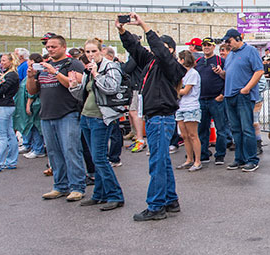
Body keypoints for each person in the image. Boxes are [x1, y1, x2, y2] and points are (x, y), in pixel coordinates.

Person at [118, 12, 187, 221]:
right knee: (163, 161)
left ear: (171, 50)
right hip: (156, 117)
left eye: (162, 47)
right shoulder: (151, 62)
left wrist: (144, 27)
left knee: (157, 162)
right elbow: (135, 49)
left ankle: (156, 205)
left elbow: (159, 50)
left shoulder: (172, 66)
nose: (155, 49)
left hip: (161, 117)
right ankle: (170, 200)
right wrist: (123, 31)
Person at [26, 34, 88, 202]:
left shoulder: (71, 63)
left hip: (67, 113)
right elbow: (32, 91)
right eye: (48, 47)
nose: (50, 49)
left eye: (54, 46)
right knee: (53, 153)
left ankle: (77, 186)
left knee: (71, 150)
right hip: (47, 114)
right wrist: (31, 76)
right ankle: (60, 186)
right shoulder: (44, 65)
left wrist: (55, 72)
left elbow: (73, 84)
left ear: (63, 47)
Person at [74, 37, 126, 211]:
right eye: (87, 52)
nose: (90, 55)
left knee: (100, 158)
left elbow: (112, 88)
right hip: (87, 116)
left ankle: (115, 195)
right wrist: (74, 85)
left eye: (93, 51)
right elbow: (84, 93)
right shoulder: (88, 69)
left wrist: (96, 74)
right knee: (95, 158)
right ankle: (99, 194)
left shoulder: (110, 66)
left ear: (101, 51)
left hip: (101, 117)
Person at [217, 28, 264, 172]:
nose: (228, 44)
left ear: (237, 38)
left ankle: (252, 159)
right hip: (230, 95)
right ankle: (240, 158)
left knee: (247, 129)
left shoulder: (250, 51)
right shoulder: (230, 55)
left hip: (243, 95)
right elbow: (230, 75)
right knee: (236, 129)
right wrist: (221, 73)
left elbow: (259, 71)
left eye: (229, 41)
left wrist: (247, 88)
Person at [195, 37, 230, 165]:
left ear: (213, 47)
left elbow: (229, 78)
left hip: (216, 99)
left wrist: (222, 94)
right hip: (202, 99)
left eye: (208, 45)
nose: (206, 47)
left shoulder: (220, 61)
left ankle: (220, 155)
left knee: (221, 129)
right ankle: (203, 154)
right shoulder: (198, 61)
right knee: (202, 129)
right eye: (204, 45)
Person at [175, 50, 203, 172]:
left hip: (191, 106)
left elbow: (185, 91)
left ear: (182, 60)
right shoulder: (181, 74)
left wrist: (173, 91)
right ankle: (189, 159)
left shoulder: (193, 73)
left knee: (193, 135)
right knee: (184, 135)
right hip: (181, 106)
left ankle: (198, 161)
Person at [16, 53, 46, 159]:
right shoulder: (31, 72)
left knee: (35, 126)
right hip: (33, 102)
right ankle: (34, 147)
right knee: (32, 126)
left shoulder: (39, 72)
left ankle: (38, 149)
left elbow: (33, 92)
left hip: (36, 104)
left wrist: (28, 104)